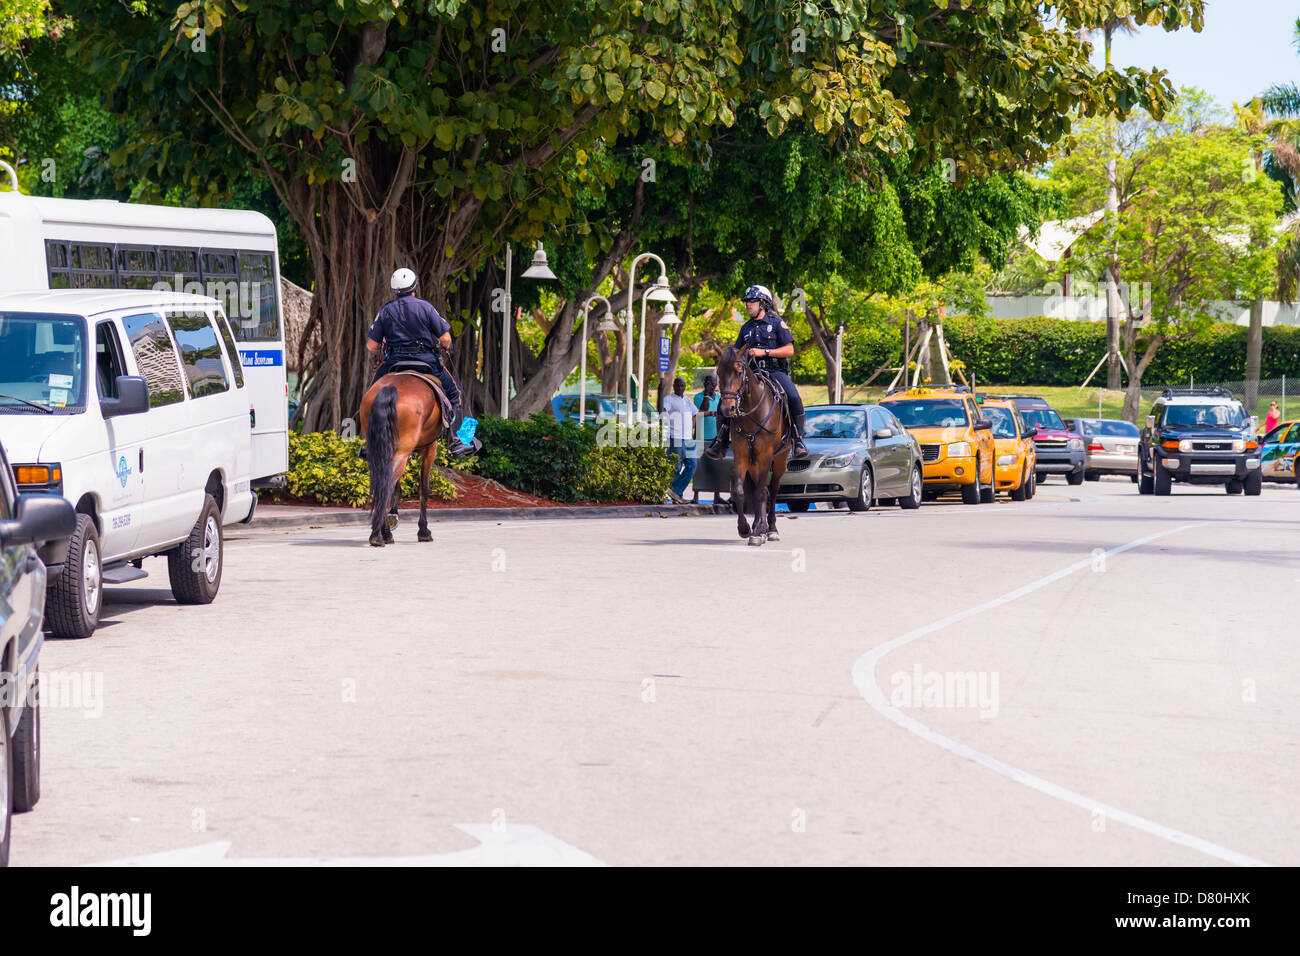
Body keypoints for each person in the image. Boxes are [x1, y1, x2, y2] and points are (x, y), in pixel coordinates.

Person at [366, 267, 478, 457]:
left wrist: (381, 348)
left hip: (394, 362)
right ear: (414, 287)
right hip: (426, 362)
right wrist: (443, 346)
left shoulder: (385, 312)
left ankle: (369, 442)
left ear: (394, 290)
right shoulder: (425, 307)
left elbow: (371, 346)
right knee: (455, 393)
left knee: (372, 394)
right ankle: (458, 440)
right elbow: (445, 339)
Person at [704, 284, 809, 459]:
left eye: (752, 301)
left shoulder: (776, 323)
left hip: (775, 371)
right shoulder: (745, 328)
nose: (748, 305)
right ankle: (720, 440)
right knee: (725, 400)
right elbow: (735, 355)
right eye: (747, 302)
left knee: (794, 397)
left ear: (763, 303)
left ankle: (798, 440)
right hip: (751, 374)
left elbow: (789, 350)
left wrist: (765, 352)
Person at [662, 376, 698, 503]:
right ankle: (677, 495)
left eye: (682, 386)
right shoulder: (669, 399)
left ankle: (675, 491)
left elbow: (695, 414)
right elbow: (662, 410)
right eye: (677, 385)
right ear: (674, 386)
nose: (680, 388)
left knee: (693, 465)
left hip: (688, 438)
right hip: (676, 437)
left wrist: (691, 429)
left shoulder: (687, 400)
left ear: (685, 387)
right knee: (676, 467)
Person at [692, 375, 721, 502]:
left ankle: (717, 496)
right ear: (705, 384)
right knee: (698, 466)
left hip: (715, 437)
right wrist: (707, 395)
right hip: (700, 436)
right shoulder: (698, 397)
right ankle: (695, 496)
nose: (712, 385)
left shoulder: (719, 397)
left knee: (717, 466)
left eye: (713, 383)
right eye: (709, 383)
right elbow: (702, 410)